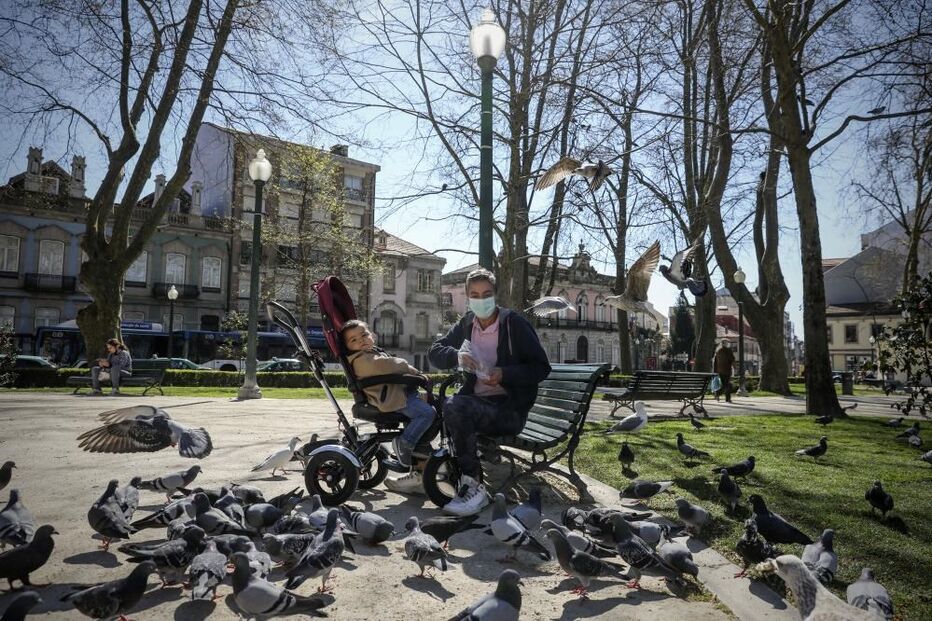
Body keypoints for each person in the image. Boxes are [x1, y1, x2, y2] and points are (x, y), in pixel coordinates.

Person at [428, 268, 551, 516]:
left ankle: (474, 486)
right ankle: (422, 469)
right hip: (477, 404)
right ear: (467, 297)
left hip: (509, 410)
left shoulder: (513, 324)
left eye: (487, 294)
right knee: (431, 403)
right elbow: (435, 352)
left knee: (455, 406)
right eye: (474, 294)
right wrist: (456, 355)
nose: (481, 300)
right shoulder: (467, 324)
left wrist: (505, 374)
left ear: (495, 295)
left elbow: (541, 368)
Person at [341, 320, 436, 477]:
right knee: (426, 414)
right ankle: (404, 443)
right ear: (348, 347)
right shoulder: (361, 360)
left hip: (399, 393)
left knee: (438, 403)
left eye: (364, 335)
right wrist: (415, 372)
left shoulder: (373, 353)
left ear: (373, 336)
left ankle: (420, 455)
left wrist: (416, 375)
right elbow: (392, 365)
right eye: (354, 340)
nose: (361, 340)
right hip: (392, 399)